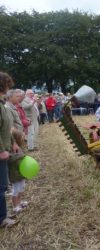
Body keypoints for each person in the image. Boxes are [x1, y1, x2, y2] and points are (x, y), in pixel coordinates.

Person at [0, 71, 19, 228]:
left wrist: (13, 142)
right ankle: (2, 219)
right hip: (0, 152)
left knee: (3, 186)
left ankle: (3, 213)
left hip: (6, 147)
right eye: (7, 84)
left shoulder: (1, 104)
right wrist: (1, 150)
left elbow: (6, 129)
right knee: (0, 187)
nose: (9, 87)